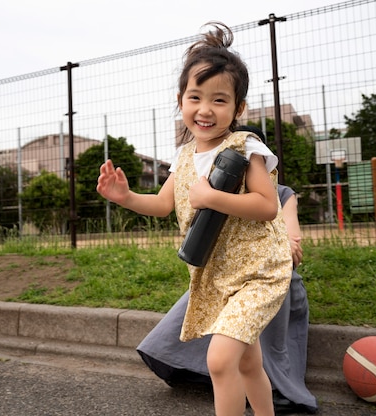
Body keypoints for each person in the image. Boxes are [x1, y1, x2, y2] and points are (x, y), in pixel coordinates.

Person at [97, 22, 292, 416]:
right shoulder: (185, 156)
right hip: (220, 277)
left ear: (238, 109)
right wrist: (126, 196)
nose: (205, 110)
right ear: (180, 100)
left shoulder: (245, 147)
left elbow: (268, 206)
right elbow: (163, 205)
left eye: (219, 101)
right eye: (195, 97)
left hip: (259, 272)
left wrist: (213, 197)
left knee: (220, 360)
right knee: (247, 362)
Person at [137, 183, 319, 414]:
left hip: (268, 273)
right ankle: (210, 375)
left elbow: (292, 244)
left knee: (231, 358)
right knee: (237, 349)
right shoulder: (218, 183)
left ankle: (276, 384)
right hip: (231, 274)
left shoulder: (281, 193)